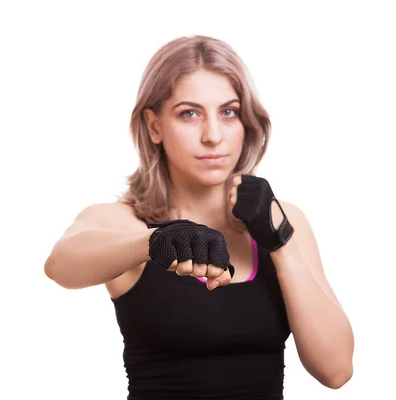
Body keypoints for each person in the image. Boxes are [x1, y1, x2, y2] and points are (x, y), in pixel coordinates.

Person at [44, 35, 354, 399]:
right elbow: (61, 264)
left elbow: (336, 370)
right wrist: (154, 241)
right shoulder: (125, 221)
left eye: (229, 112)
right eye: (189, 114)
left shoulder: (285, 221)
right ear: (154, 126)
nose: (213, 136)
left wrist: (279, 242)